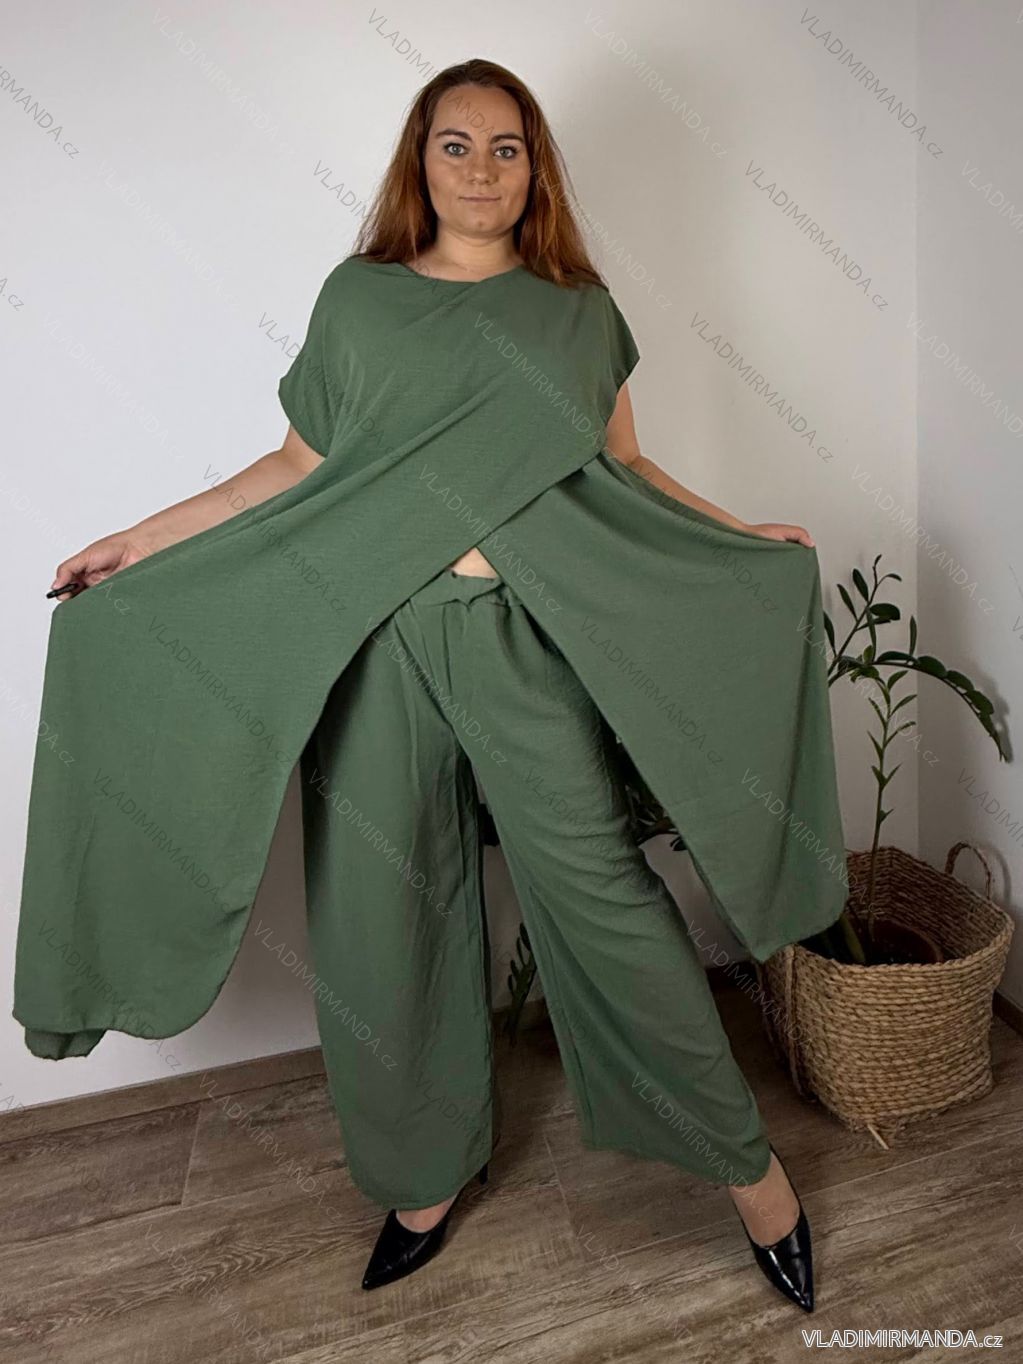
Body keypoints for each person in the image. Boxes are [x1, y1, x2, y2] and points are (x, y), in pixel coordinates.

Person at [42, 60, 827, 1312]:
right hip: (379, 643)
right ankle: (421, 1176)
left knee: (604, 897)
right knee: (381, 912)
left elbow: (626, 470)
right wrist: (140, 539)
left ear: (534, 169)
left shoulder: (578, 314)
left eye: (506, 148)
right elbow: (292, 470)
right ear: (421, 160)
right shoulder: (359, 301)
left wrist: (740, 536)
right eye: (455, 144)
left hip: (528, 640)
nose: (479, 169)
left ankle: (752, 1175)